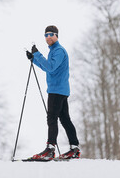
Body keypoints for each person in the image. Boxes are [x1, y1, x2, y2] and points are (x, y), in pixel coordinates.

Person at [26, 25, 80, 161]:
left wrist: (38, 55)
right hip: (60, 90)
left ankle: (50, 149)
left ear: (57, 35)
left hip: (57, 90)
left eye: (51, 34)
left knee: (52, 118)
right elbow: (48, 68)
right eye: (46, 35)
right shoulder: (54, 51)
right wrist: (33, 59)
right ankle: (74, 149)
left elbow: (50, 67)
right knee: (64, 119)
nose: (48, 37)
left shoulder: (59, 51)